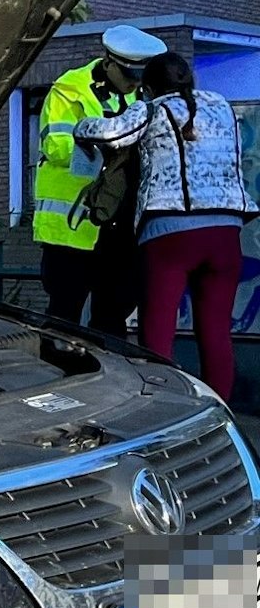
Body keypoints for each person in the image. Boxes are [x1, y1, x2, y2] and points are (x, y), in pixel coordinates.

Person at [75, 52, 255, 399]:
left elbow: (112, 135)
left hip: (170, 233)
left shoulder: (152, 109)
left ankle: (164, 407)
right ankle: (220, 410)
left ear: (149, 87)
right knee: (216, 332)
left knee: (157, 335)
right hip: (226, 231)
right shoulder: (222, 107)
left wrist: (80, 128)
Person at [33, 24, 168, 335]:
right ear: (109, 63)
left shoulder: (143, 97)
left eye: (140, 77)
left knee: (113, 318)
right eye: (129, 76)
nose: (134, 84)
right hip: (73, 227)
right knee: (63, 318)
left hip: (120, 229)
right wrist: (109, 148)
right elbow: (55, 146)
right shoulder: (70, 90)